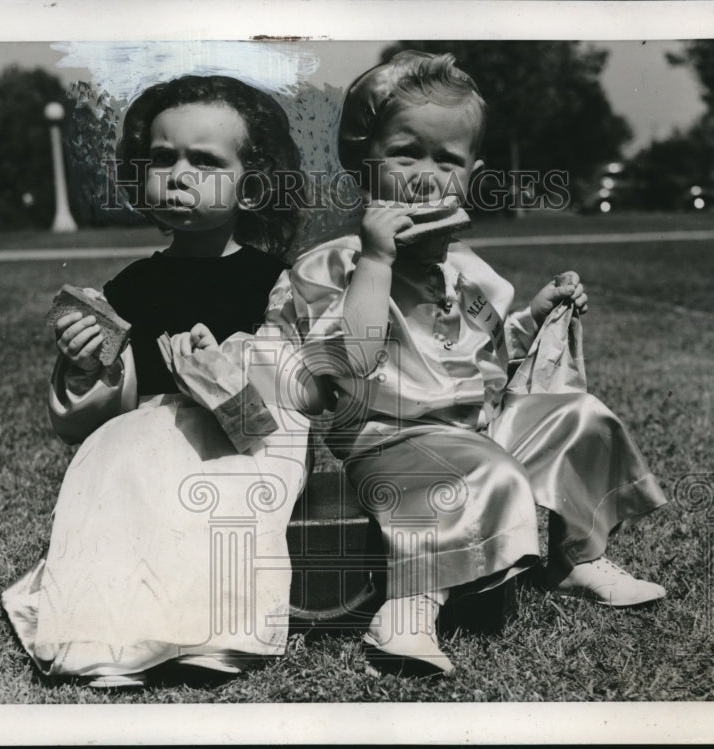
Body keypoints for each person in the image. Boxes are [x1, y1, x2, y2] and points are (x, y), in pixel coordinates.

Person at [275, 51, 668, 676]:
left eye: (447, 160)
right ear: (361, 164)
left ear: (471, 174)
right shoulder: (334, 266)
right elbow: (349, 363)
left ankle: (576, 558)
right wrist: (376, 262)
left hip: (474, 427)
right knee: (483, 469)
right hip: (390, 439)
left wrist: (539, 317)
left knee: (578, 417)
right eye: (406, 153)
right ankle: (409, 605)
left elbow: (496, 361)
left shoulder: (470, 272)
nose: (427, 177)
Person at [2, 75, 310, 688]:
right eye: (162, 158)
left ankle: (216, 631)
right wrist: (89, 366)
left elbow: (279, 404)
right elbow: (100, 411)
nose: (178, 174)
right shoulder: (132, 287)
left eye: (205, 160)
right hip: (147, 426)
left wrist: (221, 373)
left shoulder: (274, 282)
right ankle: (108, 636)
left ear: (252, 185)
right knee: (119, 465)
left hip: (241, 434)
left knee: (206, 489)